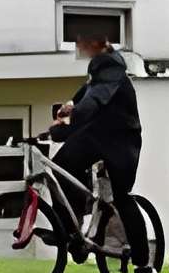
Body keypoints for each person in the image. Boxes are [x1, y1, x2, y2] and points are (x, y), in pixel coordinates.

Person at [48, 28, 144, 251]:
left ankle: (144, 266)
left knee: (122, 198)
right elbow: (88, 90)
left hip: (122, 140)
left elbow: (95, 101)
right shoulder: (100, 66)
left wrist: (70, 121)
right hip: (98, 134)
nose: (78, 47)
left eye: (81, 42)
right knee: (61, 166)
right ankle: (70, 231)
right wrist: (71, 105)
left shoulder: (112, 66)